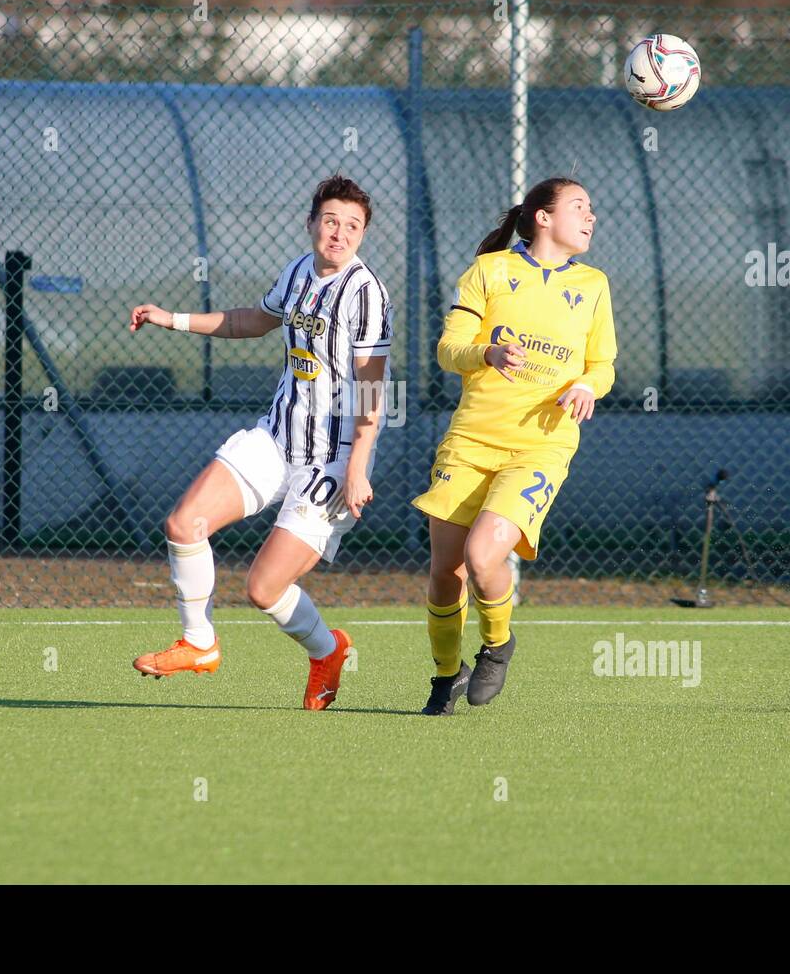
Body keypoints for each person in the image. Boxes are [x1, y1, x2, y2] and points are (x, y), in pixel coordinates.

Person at [127, 175, 393, 710]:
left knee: (263, 589)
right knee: (184, 524)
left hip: (333, 460)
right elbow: (253, 320)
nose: (339, 233)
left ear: (363, 235)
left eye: (353, 226)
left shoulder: (366, 294)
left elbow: (373, 389)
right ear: (312, 223)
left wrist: (358, 467)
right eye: (331, 221)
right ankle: (199, 643)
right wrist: (171, 319)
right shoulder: (298, 271)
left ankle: (327, 651)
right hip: (275, 437)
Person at [411, 177, 616, 715]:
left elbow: (603, 366)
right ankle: (443, 675)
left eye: (591, 209)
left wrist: (585, 385)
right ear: (542, 217)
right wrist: (488, 354)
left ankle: (498, 646)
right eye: (579, 207)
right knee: (445, 572)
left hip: (541, 448)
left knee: (483, 556)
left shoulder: (594, 284)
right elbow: (449, 349)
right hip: (472, 440)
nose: (591, 217)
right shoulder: (490, 271)